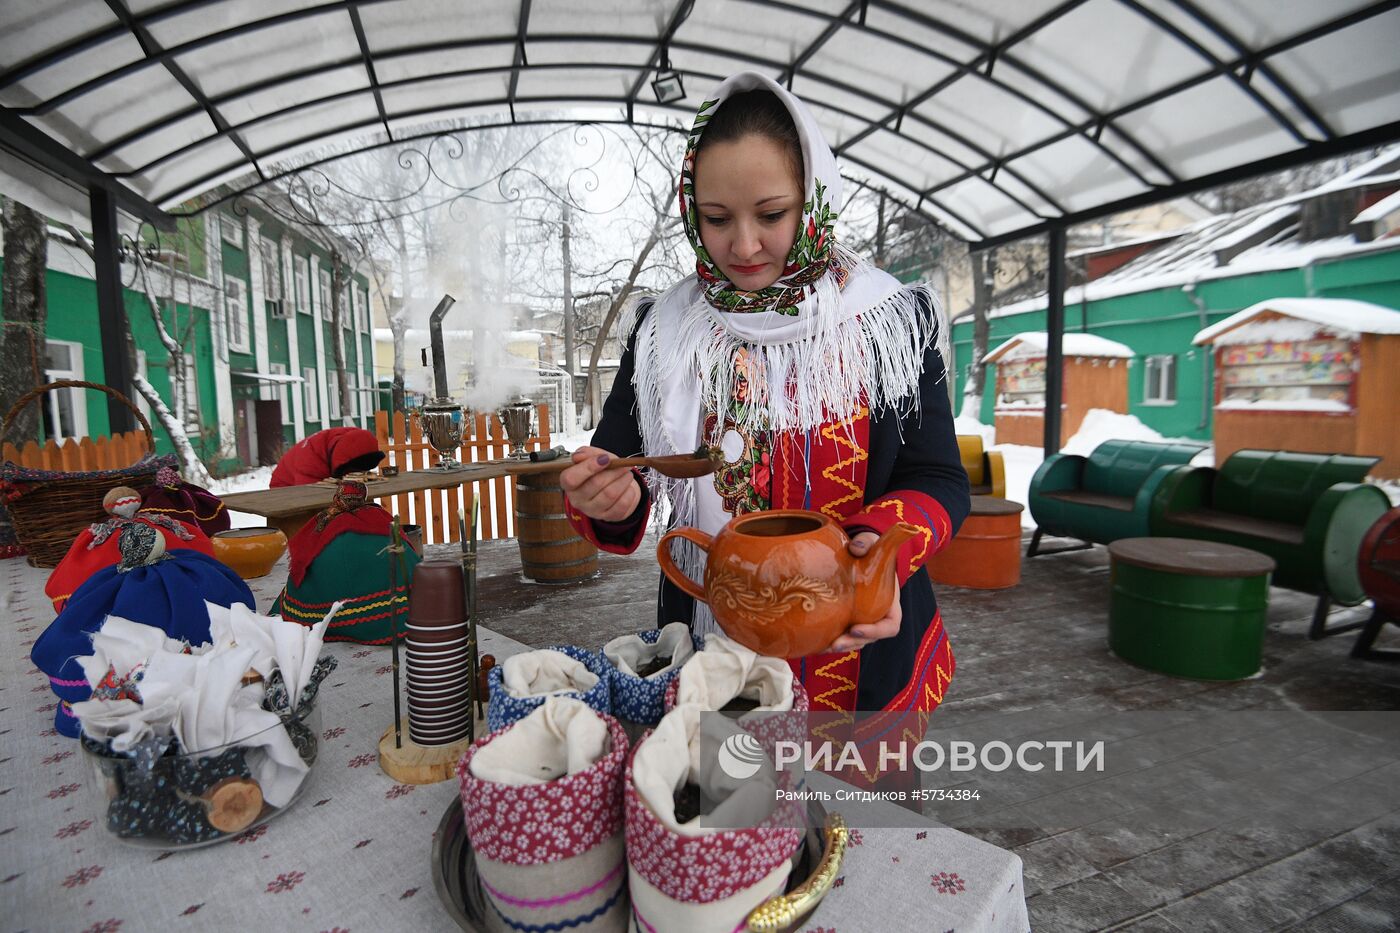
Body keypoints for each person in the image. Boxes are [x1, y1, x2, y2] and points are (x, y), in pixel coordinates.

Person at [561, 71, 971, 743]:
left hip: (859, 663)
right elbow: (621, 465)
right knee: (730, 819)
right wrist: (612, 496)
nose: (743, 246)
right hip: (712, 655)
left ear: (813, 201)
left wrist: (878, 555)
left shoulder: (889, 320)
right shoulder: (665, 331)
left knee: (859, 839)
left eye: (772, 214)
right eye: (716, 219)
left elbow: (939, 480)